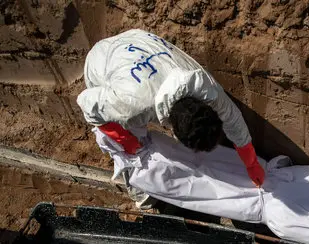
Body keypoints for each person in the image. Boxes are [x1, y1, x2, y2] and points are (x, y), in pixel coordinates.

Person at [77, 29, 264, 207]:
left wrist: (252, 163)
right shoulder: (129, 108)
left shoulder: (205, 87)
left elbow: (233, 119)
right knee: (130, 147)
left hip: (138, 42)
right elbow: (87, 105)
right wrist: (125, 141)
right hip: (101, 62)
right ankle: (142, 190)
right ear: (173, 129)